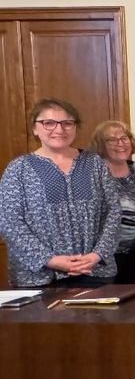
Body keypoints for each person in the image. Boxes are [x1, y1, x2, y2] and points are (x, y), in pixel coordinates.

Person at [0, 99, 120, 288]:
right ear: (35, 128)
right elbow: (9, 222)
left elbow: (114, 211)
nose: (59, 129)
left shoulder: (95, 163)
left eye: (67, 123)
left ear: (75, 127)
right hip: (38, 277)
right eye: (48, 123)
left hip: (94, 271)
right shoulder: (18, 169)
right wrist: (50, 259)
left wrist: (97, 255)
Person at [89, 120, 135, 284]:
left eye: (124, 138)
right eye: (112, 140)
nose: (120, 144)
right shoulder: (93, 173)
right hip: (103, 257)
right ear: (101, 145)